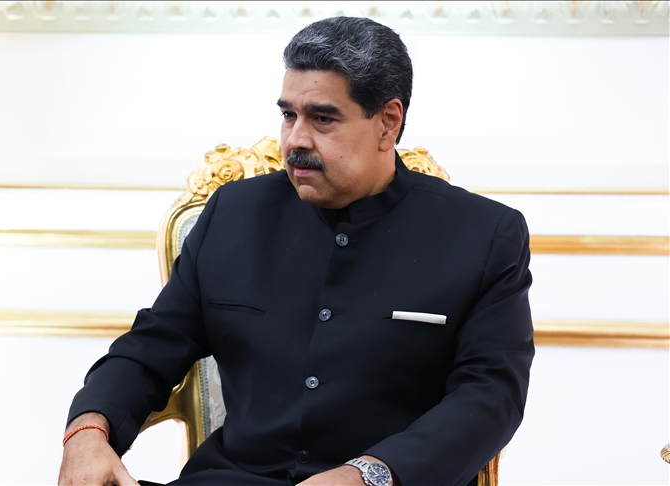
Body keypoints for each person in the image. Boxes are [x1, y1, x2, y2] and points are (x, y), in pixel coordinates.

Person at [59, 16, 533, 486]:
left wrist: (368, 475)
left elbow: (490, 397)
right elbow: (149, 349)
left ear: (388, 123)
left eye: (322, 118)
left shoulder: (484, 234)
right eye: (289, 115)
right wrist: (88, 431)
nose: (296, 140)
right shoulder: (233, 213)